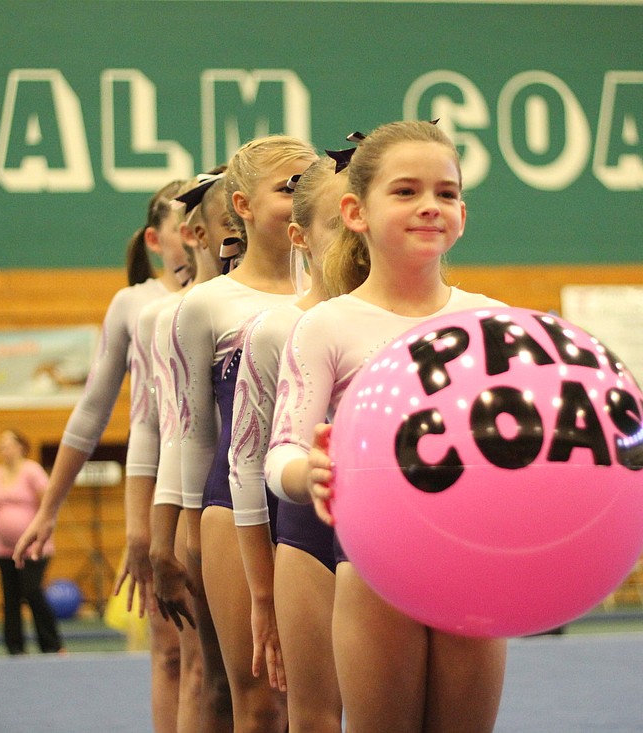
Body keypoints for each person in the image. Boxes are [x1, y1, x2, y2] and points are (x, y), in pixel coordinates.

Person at [264, 120, 509, 732]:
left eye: (446, 193)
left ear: (462, 211)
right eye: (405, 191)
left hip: (474, 567)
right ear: (356, 211)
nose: (430, 206)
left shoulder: (497, 323)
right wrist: (307, 473)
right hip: (375, 567)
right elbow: (280, 455)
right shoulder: (328, 325)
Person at [154, 135, 317, 733]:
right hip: (230, 503)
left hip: (312, 500)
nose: (302, 201)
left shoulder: (334, 294)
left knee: (316, 695)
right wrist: (181, 533)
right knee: (253, 699)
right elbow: (188, 431)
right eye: (287, 189)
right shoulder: (204, 305)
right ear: (243, 206)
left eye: (311, 186)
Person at [13, 181, 191, 723]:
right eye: (180, 226)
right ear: (155, 240)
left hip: (230, 488)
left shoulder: (237, 294)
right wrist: (48, 508)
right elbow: (93, 413)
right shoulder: (136, 305)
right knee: (171, 651)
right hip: (161, 492)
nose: (193, 234)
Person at [230, 156, 361, 732]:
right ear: (301, 238)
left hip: (392, 535)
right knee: (309, 716)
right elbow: (248, 463)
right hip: (304, 535)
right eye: (336, 227)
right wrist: (262, 595)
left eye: (358, 225)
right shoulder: (277, 330)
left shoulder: (404, 323)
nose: (353, 243)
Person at [119, 172, 231, 733]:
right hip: (205, 512)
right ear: (196, 233)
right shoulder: (160, 313)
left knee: (278, 689)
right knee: (198, 670)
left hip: (279, 513)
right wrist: (151, 531)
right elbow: (164, 430)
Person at [0, 429, 64, 655]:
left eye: (8, 444)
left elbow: (48, 501)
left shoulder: (32, 471)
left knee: (31, 591)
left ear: (21, 447)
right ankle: (14, 647)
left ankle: (51, 644)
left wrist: (44, 531)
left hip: (34, 546)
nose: (4, 450)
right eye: (1, 446)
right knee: (10, 597)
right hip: (3, 547)